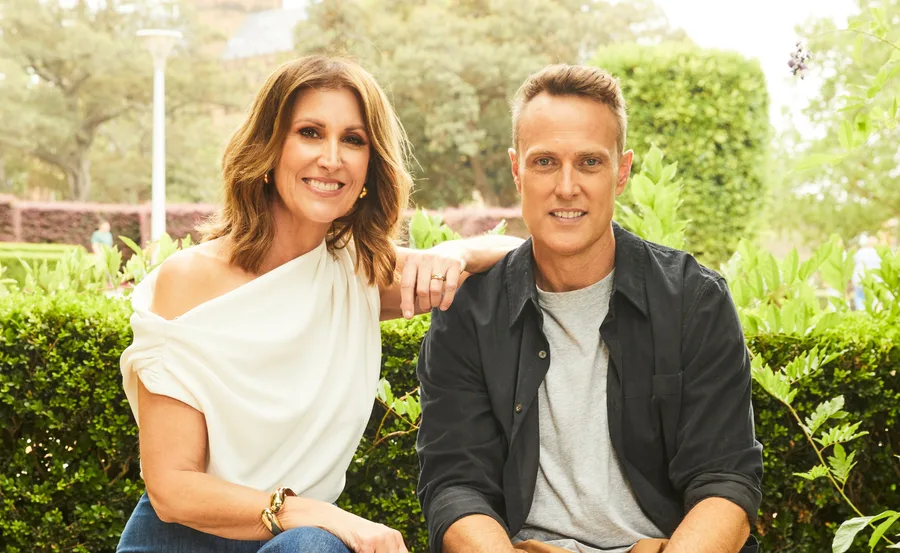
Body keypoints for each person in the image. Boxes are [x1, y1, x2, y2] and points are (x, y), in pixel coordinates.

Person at [117, 55, 522, 553]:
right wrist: (312, 511)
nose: (332, 158)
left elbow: (519, 258)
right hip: (183, 540)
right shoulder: (189, 281)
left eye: (353, 140)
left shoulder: (357, 275)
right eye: (310, 132)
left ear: (370, 165)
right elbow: (173, 489)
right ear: (268, 148)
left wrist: (452, 252)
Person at [416, 64, 763, 553]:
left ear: (621, 173)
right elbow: (455, 486)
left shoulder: (694, 301)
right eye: (544, 163)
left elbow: (726, 481)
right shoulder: (468, 313)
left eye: (590, 162)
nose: (566, 186)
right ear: (517, 170)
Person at [851, 234, 881, 311]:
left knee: (860, 300)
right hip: (873, 280)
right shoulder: (877, 252)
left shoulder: (860, 252)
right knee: (874, 301)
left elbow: (853, 264)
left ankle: (861, 313)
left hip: (859, 279)